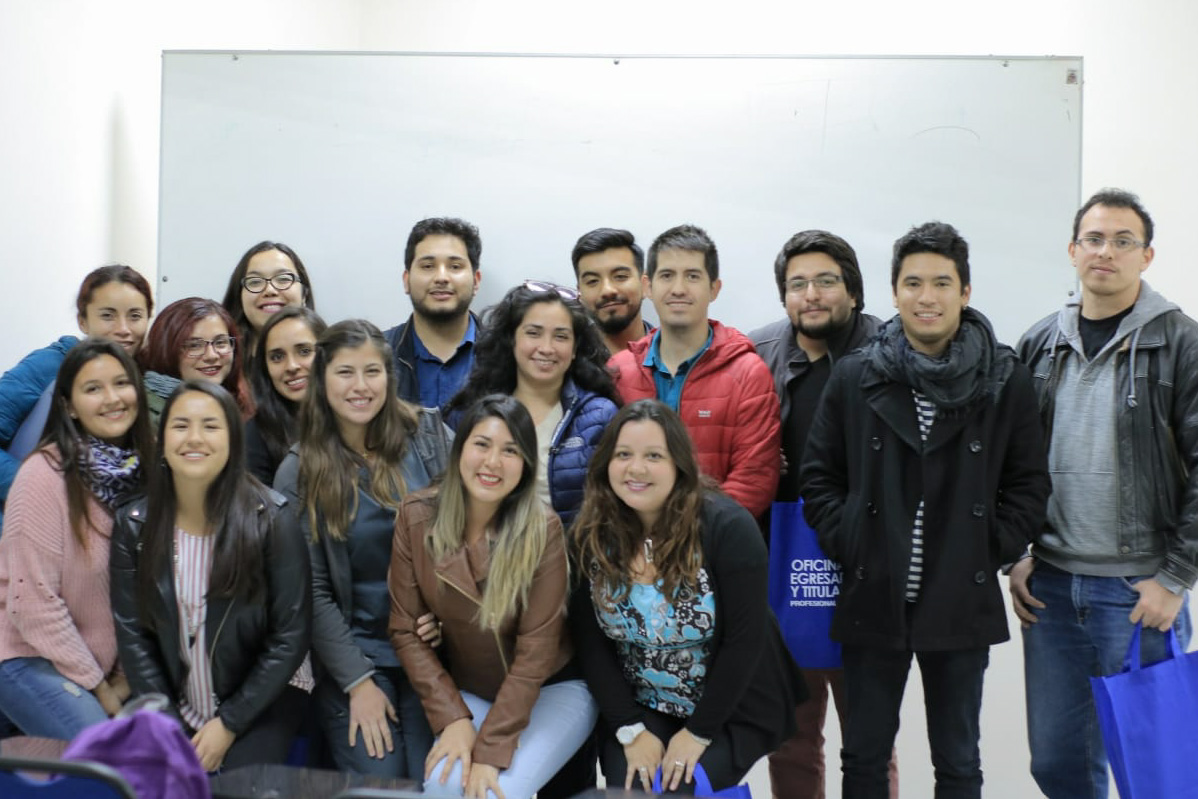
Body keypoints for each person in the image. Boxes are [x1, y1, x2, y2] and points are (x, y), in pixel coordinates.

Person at [800, 221, 1050, 799]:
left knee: (958, 760)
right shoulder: (857, 373)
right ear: (894, 292)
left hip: (959, 592)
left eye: (942, 283)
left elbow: (1029, 482)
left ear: (965, 292)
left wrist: (988, 546)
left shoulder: (1002, 377)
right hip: (874, 588)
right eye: (913, 283)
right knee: (863, 757)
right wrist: (850, 537)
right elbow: (819, 476)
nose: (926, 297)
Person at [1012, 188, 1198, 799]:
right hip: (1053, 592)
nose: (1106, 252)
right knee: (1058, 765)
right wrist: (1017, 553)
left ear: (1147, 256)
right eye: (1093, 239)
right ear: (1073, 250)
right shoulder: (1040, 343)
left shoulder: (1182, 343)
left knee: (1155, 775)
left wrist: (1175, 577)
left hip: (1139, 593)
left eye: (1123, 241)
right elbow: (1012, 462)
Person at [571, 399, 805, 794]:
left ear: (679, 464)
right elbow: (590, 643)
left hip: (731, 704)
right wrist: (629, 728)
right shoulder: (588, 536)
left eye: (654, 456)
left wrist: (698, 733)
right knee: (631, 789)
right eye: (623, 454)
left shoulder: (727, 527)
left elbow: (744, 641)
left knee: (679, 789)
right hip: (643, 702)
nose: (636, 468)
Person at [388, 394, 598, 799]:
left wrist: (490, 750)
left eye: (510, 451)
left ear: (526, 464)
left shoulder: (542, 529)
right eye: (481, 444)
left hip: (552, 689)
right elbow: (405, 631)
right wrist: (452, 717)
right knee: (445, 787)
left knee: (494, 791)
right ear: (459, 450)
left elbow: (536, 654)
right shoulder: (416, 516)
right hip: (472, 687)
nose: (492, 462)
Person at [748, 230, 893, 799]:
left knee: (869, 739)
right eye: (797, 284)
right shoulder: (758, 353)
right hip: (784, 562)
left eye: (826, 281)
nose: (811, 294)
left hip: (869, 564)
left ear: (853, 291)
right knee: (790, 735)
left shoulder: (890, 351)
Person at [273, 319, 450, 778]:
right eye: (345, 372)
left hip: (430, 652)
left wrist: (446, 614)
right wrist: (358, 682)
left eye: (372, 372)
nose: (361, 386)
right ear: (322, 379)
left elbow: (469, 539)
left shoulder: (428, 437)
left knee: (434, 780)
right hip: (354, 656)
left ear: (389, 378)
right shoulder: (299, 470)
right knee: (383, 780)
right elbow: (310, 592)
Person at [110, 380, 311, 772]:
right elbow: (133, 636)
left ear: (233, 440)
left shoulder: (271, 519)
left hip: (265, 698)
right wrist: (168, 725)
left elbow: (290, 637)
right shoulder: (134, 525)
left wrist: (230, 723)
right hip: (177, 701)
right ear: (162, 440)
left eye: (210, 426)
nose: (194, 438)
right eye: (181, 425)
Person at [0, 339, 152, 738]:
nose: (112, 398)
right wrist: (102, 690)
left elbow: (143, 597)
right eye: (93, 388)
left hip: (98, 664)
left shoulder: (147, 476)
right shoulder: (42, 475)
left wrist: (125, 679)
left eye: (121, 383)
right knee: (106, 754)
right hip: (25, 653)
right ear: (69, 406)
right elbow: (33, 604)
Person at [608, 224, 780, 519]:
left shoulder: (748, 373)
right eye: (667, 275)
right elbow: (603, 467)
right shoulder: (618, 371)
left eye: (692, 276)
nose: (678, 289)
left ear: (714, 289)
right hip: (630, 537)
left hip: (713, 539)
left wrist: (688, 535)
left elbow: (754, 479)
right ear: (648, 286)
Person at [446, 281, 620, 529]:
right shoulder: (472, 409)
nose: (546, 348)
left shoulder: (600, 416)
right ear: (512, 339)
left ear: (575, 348)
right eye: (533, 333)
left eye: (561, 336)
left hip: (570, 551)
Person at [0, 265, 153, 526]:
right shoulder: (51, 365)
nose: (123, 329)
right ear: (83, 320)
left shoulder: (145, 377)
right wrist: (38, 488)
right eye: (108, 316)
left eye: (135, 316)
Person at [384, 218, 483, 409]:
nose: (441, 278)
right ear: (406, 280)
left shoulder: (505, 355)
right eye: (428, 266)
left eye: (455, 266)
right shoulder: (378, 353)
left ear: (476, 281)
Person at [138, 297, 253, 426]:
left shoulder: (240, 400)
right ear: (165, 349)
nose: (211, 355)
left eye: (220, 342)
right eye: (194, 345)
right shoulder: (143, 415)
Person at [245, 306, 327, 484]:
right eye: (277, 357)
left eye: (304, 351)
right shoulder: (254, 436)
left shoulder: (355, 416)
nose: (291, 366)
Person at [220, 240, 316, 362]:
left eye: (283, 279)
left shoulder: (330, 355)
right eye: (255, 282)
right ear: (239, 296)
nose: (270, 290)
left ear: (304, 294)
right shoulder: (220, 362)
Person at [571, 228, 652, 356]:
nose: (607, 290)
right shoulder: (566, 360)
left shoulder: (676, 354)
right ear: (580, 294)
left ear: (645, 285)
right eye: (592, 281)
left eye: (620, 276)